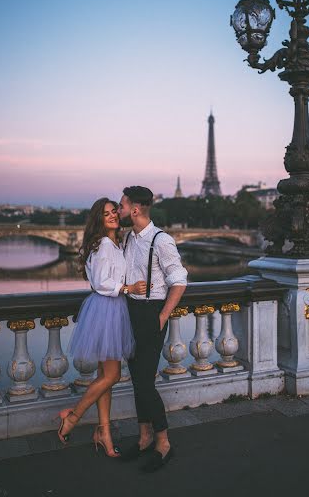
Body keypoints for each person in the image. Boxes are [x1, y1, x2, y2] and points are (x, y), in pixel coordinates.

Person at [54, 197, 147, 457]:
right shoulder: (103, 245)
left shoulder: (116, 243)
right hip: (107, 309)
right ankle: (72, 416)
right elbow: (100, 281)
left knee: (104, 377)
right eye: (106, 214)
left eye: (114, 211)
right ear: (99, 218)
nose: (113, 216)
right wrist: (127, 288)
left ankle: (103, 432)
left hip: (113, 310)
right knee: (112, 376)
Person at [118, 186, 188, 472]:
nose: (119, 210)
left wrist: (162, 316)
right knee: (138, 380)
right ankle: (145, 436)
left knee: (145, 382)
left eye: (122, 205)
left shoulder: (161, 240)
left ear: (135, 209)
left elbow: (180, 281)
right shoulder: (127, 238)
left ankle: (163, 441)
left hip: (150, 314)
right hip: (130, 311)